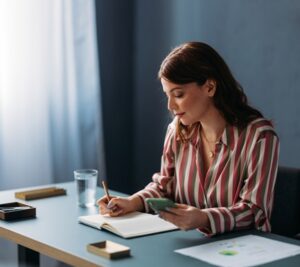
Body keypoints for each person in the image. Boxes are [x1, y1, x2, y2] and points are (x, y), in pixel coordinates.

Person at [98, 42, 280, 236]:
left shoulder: (259, 137)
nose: (170, 105)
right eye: (167, 95)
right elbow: (163, 188)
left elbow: (255, 212)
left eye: (178, 94)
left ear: (210, 87)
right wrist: (131, 202)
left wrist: (204, 218)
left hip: (243, 254)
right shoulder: (176, 131)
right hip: (189, 247)